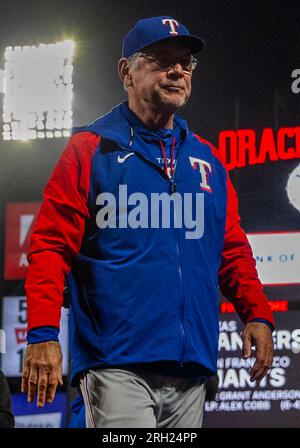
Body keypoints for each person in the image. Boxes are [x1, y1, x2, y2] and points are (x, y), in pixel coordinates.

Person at [21, 16, 275, 428]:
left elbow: (231, 251)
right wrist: (43, 333)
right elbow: (50, 248)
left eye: (186, 62)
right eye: (161, 60)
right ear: (127, 72)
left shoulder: (207, 160)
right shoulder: (90, 150)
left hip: (191, 368)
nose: (177, 71)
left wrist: (258, 314)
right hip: (117, 362)